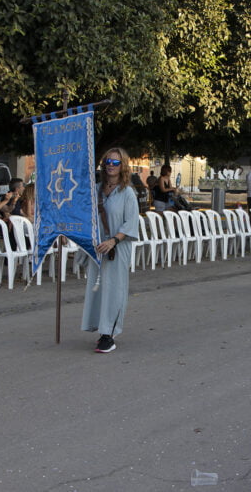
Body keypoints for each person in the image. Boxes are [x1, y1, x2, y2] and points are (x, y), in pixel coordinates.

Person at [82, 147, 139, 353]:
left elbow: (130, 222)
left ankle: (109, 334)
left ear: (123, 166)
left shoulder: (127, 193)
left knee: (114, 290)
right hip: (97, 247)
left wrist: (114, 241)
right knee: (97, 289)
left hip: (117, 247)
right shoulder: (96, 189)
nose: (110, 165)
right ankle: (100, 329)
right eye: (108, 161)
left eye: (115, 162)